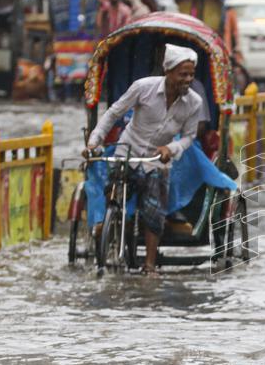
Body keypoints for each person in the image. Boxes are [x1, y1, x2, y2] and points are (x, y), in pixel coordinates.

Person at [84, 44, 204, 276]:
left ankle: (149, 266)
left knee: (153, 211)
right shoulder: (143, 87)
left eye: (191, 74)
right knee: (111, 193)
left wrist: (172, 147)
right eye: (183, 74)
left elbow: (189, 136)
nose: (187, 79)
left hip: (157, 159)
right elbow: (114, 113)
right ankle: (106, 225)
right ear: (168, 71)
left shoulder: (194, 102)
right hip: (127, 152)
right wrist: (94, 141)